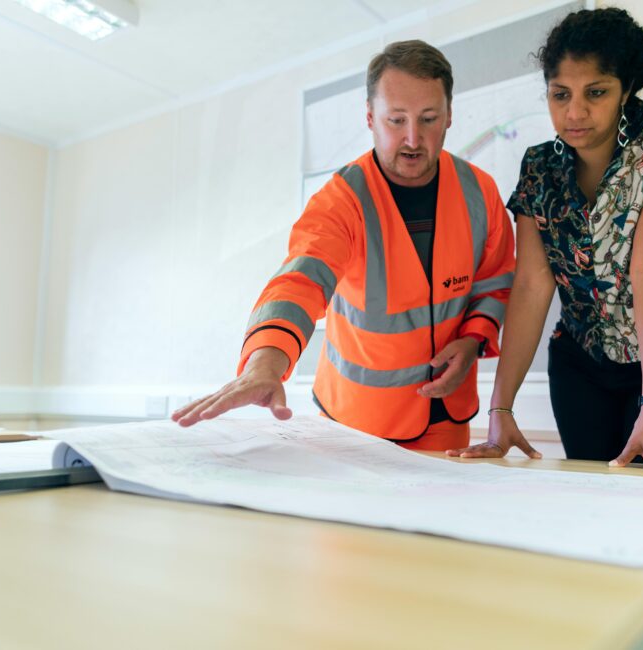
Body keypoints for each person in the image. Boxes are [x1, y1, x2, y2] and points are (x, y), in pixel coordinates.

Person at [172, 41, 515, 452]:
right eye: (395, 120)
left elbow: (494, 282)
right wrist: (264, 364)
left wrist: (474, 338)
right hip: (356, 425)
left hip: (447, 417)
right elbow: (300, 281)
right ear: (370, 118)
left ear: (450, 117)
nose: (412, 138)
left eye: (428, 119)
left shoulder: (480, 192)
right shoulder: (340, 200)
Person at [447, 8, 643, 473]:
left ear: (626, 90)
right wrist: (500, 410)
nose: (574, 112)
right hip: (582, 371)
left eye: (595, 93)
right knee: (598, 522)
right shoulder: (540, 167)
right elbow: (533, 286)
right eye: (560, 95)